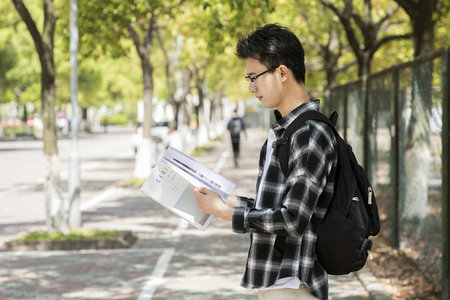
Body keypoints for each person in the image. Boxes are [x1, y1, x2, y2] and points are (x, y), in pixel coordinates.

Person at [194, 24, 338, 300]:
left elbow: (293, 219)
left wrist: (226, 213)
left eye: (254, 77)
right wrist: (229, 201)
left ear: (282, 72)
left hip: (293, 284)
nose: (251, 88)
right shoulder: (286, 131)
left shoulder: (309, 133)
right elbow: (279, 207)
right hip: (279, 283)